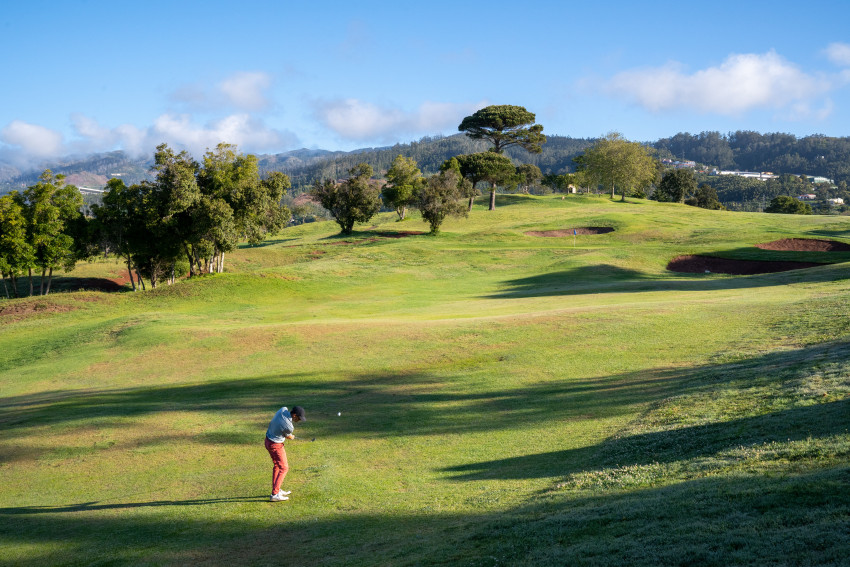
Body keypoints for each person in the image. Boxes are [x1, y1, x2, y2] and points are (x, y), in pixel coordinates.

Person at [264, 405, 306, 502]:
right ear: (294, 415)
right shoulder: (289, 427)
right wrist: (291, 437)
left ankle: (277, 489)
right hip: (275, 445)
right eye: (299, 418)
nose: (299, 420)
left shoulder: (283, 409)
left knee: (277, 466)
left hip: (268, 440)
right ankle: (275, 494)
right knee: (284, 468)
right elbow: (288, 435)